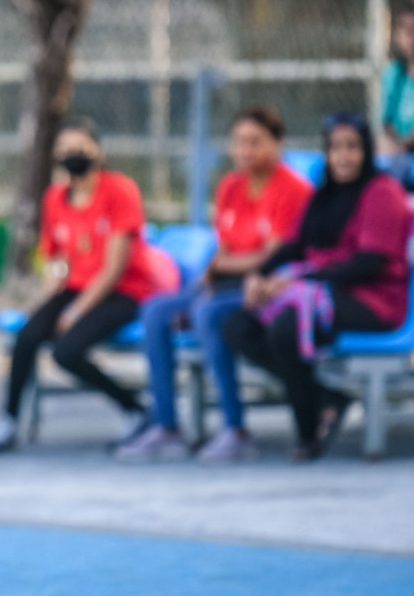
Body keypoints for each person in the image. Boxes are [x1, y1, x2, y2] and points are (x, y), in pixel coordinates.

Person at [117, 106, 312, 463]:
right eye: (239, 142)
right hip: (226, 283)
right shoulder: (230, 186)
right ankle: (166, 426)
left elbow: (272, 257)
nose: (245, 151)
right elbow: (223, 250)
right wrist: (207, 278)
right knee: (156, 311)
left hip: (268, 289)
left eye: (255, 142)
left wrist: (222, 268)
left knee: (207, 314)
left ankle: (235, 429)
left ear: (277, 143)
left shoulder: (294, 190)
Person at [222, 113, 412, 461]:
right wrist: (259, 276)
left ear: (366, 150)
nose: (343, 156)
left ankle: (308, 434)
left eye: (352, 147)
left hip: (372, 300)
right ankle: (326, 399)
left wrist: (296, 281)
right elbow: (293, 245)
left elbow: (370, 262)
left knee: (286, 327)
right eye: (335, 147)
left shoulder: (382, 193)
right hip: (321, 290)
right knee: (237, 325)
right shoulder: (322, 195)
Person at [0, 117, 179, 454]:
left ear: (98, 151)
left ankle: (135, 409)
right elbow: (56, 259)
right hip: (75, 286)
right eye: (65, 149)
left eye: (80, 148)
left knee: (67, 351)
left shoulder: (120, 190)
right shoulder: (54, 198)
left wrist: (75, 311)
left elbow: (114, 266)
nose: (72, 155)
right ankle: (9, 419)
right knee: (29, 334)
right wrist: (50, 298)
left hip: (124, 289)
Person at [379, 8, 414, 188]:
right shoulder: (393, 73)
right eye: (405, 30)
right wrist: (398, 143)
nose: (410, 37)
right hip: (398, 150)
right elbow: (387, 122)